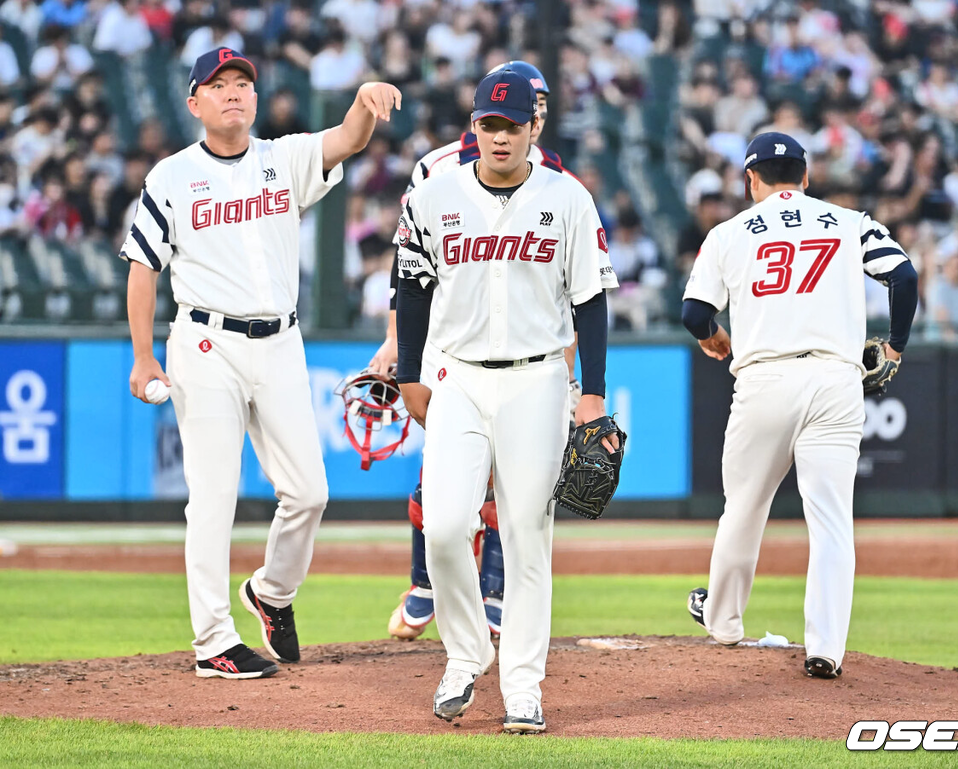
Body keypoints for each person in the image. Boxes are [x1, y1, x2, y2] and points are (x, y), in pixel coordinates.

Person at [122, 46, 400, 679]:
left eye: (242, 82)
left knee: (309, 491)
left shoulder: (282, 157)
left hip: (279, 343)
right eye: (218, 85)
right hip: (205, 343)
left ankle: (271, 592)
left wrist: (363, 102)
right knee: (213, 497)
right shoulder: (171, 175)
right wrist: (143, 356)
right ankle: (213, 641)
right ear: (194, 103)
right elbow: (143, 268)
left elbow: (345, 141)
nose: (233, 93)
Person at [395, 69, 618, 733]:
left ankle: (523, 687)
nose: (498, 137)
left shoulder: (568, 198)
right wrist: (411, 372)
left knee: (526, 537)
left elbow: (592, 302)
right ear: (474, 127)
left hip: (537, 378)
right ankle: (466, 653)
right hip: (457, 376)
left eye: (511, 126)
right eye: (488, 125)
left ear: (533, 128)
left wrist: (593, 395)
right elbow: (411, 285)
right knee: (442, 526)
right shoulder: (436, 196)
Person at [682, 132, 918, 679]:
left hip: (764, 377)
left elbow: (695, 313)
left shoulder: (728, 233)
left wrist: (714, 335)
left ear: (751, 180)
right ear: (806, 178)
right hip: (836, 379)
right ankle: (825, 648)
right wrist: (895, 345)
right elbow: (903, 277)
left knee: (742, 506)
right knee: (832, 519)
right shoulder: (849, 220)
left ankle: (723, 621)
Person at [368, 60, 580, 644]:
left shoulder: (553, 176)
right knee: (443, 473)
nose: (528, 116)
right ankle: (426, 582)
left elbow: (573, 280)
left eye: (535, 105)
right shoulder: (435, 169)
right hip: (448, 339)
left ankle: (495, 589)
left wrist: (566, 359)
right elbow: (407, 271)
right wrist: (395, 343)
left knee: (508, 482)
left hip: (526, 344)